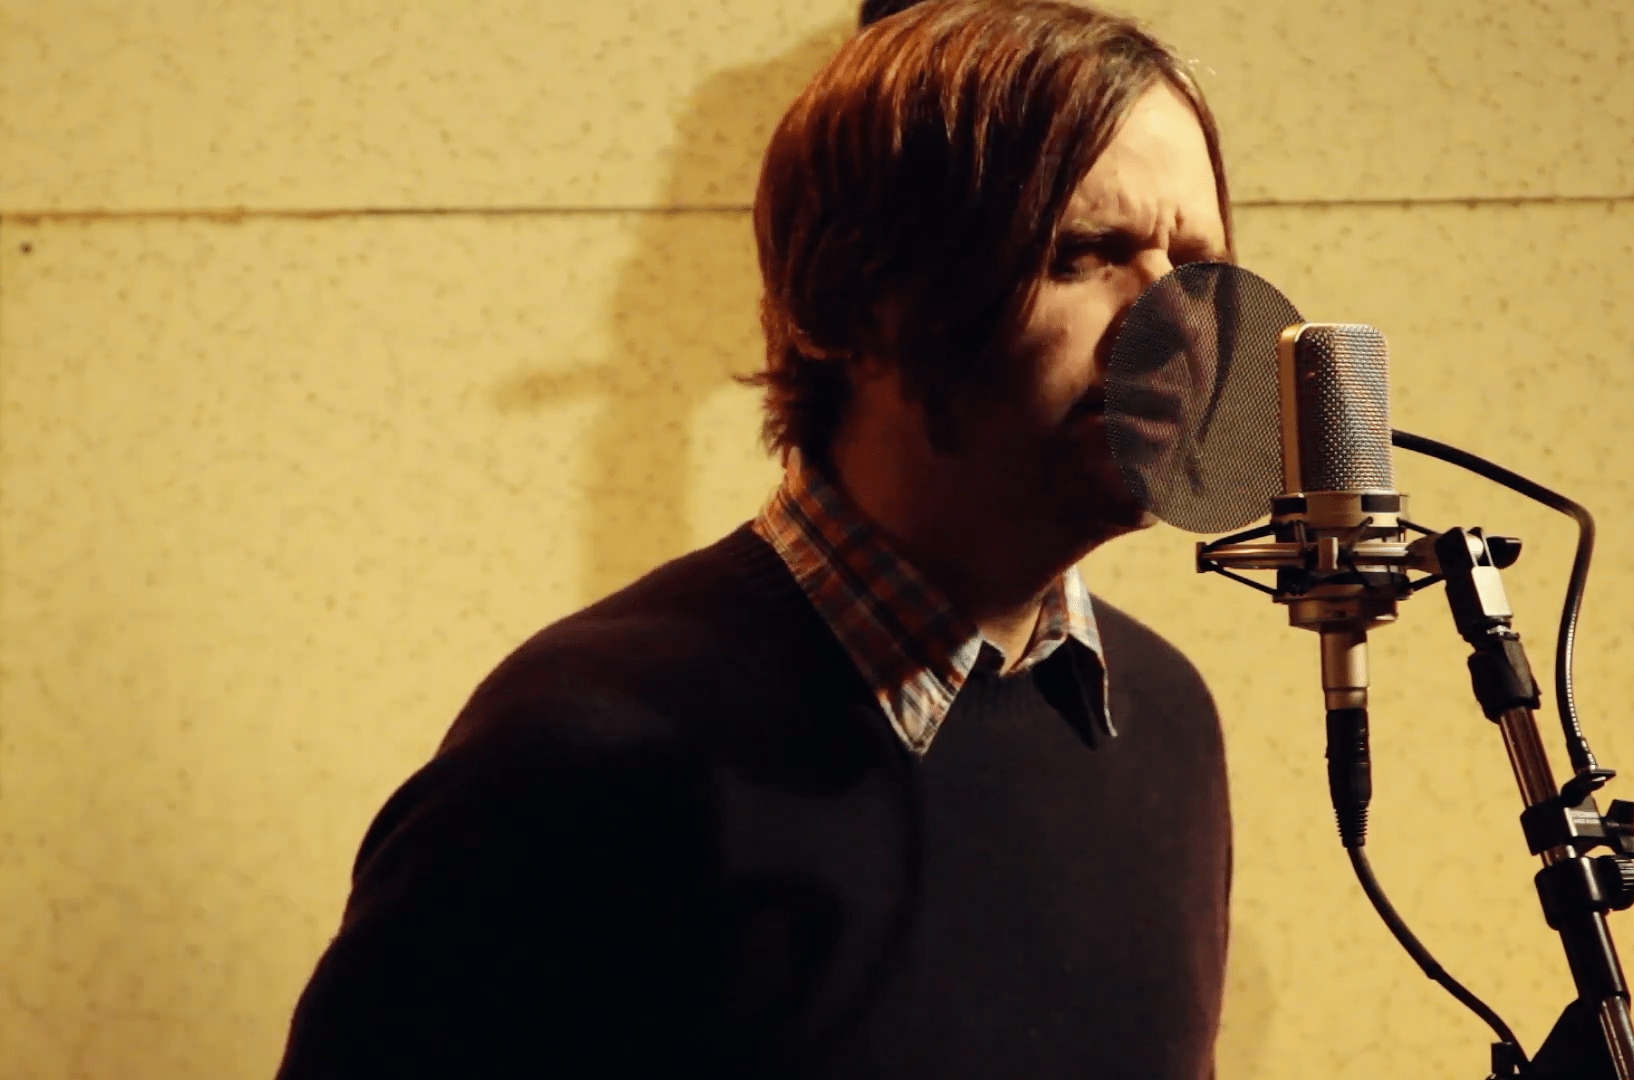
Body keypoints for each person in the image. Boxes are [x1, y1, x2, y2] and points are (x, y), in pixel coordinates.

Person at [276, 1, 1236, 1076]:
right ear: (861, 296)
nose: (1174, 322)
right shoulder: (584, 753)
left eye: (1197, 265)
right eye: (1084, 253)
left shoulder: (1167, 718)